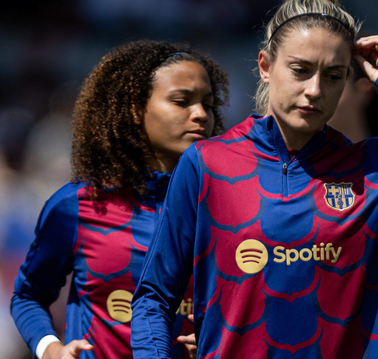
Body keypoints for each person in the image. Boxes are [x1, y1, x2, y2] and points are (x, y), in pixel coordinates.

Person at [131, 0, 378, 359]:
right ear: (265, 66)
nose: (314, 90)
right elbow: (154, 297)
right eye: (301, 70)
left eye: (333, 76)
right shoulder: (207, 163)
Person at [10, 40, 229, 359]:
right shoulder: (78, 205)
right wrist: (51, 349)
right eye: (182, 101)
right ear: (135, 110)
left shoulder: (227, 207)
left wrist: (219, 341)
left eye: (207, 104)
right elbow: (28, 296)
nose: (200, 115)